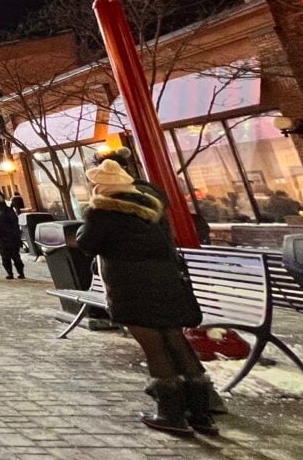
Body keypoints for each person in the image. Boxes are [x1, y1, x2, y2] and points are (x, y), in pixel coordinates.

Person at [71, 153, 217, 436]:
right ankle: (201, 412)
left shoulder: (104, 211)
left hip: (131, 287)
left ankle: (171, 412)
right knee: (175, 340)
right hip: (167, 282)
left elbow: (87, 242)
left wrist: (86, 221)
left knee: (154, 346)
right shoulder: (152, 207)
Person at [0, 193, 25, 280]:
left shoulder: (8, 210)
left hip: (11, 238)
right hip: (1, 238)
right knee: (5, 257)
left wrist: (16, 236)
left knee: (15, 257)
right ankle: (9, 273)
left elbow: (15, 223)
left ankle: (21, 272)